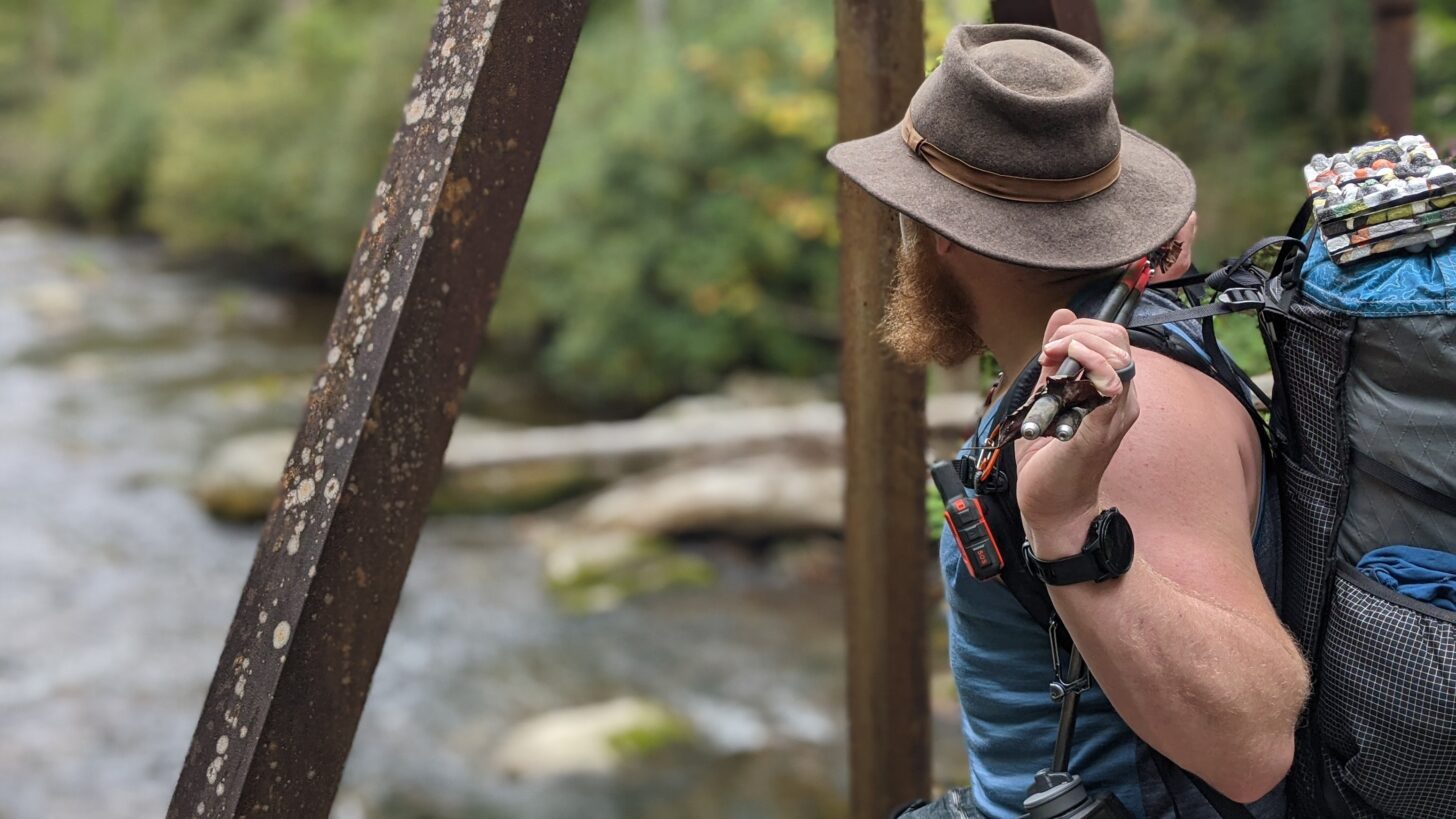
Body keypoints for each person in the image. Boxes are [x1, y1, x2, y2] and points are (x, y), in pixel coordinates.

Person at [826, 23, 1310, 819]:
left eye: (905, 208)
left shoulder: (1133, 423)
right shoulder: (1070, 360)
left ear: (941, 232)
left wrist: (1067, 523)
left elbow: (1254, 744)